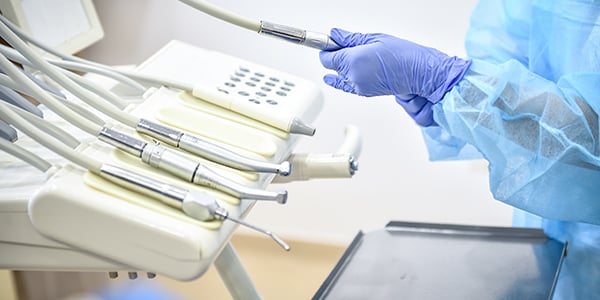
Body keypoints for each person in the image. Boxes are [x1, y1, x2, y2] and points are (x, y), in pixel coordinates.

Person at [318, 1, 600, 299]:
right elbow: (501, 55)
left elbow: (590, 136)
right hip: (551, 224)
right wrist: (455, 101)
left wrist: (448, 80)